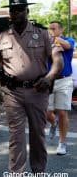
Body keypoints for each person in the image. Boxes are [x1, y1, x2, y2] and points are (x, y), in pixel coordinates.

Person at [0, 0, 64, 173]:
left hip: (38, 91)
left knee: (37, 135)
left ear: (27, 11)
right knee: (16, 137)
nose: (16, 13)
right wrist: (2, 83)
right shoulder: (1, 38)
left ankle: (39, 171)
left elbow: (58, 60)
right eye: (13, 10)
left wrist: (49, 78)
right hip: (12, 93)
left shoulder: (43, 34)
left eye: (20, 9)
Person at [46, 20, 75, 155]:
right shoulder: (47, 41)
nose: (51, 30)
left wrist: (54, 39)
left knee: (62, 112)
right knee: (46, 112)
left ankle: (62, 143)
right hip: (49, 81)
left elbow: (68, 45)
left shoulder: (68, 39)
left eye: (53, 28)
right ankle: (53, 123)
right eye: (49, 28)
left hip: (64, 81)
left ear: (60, 30)